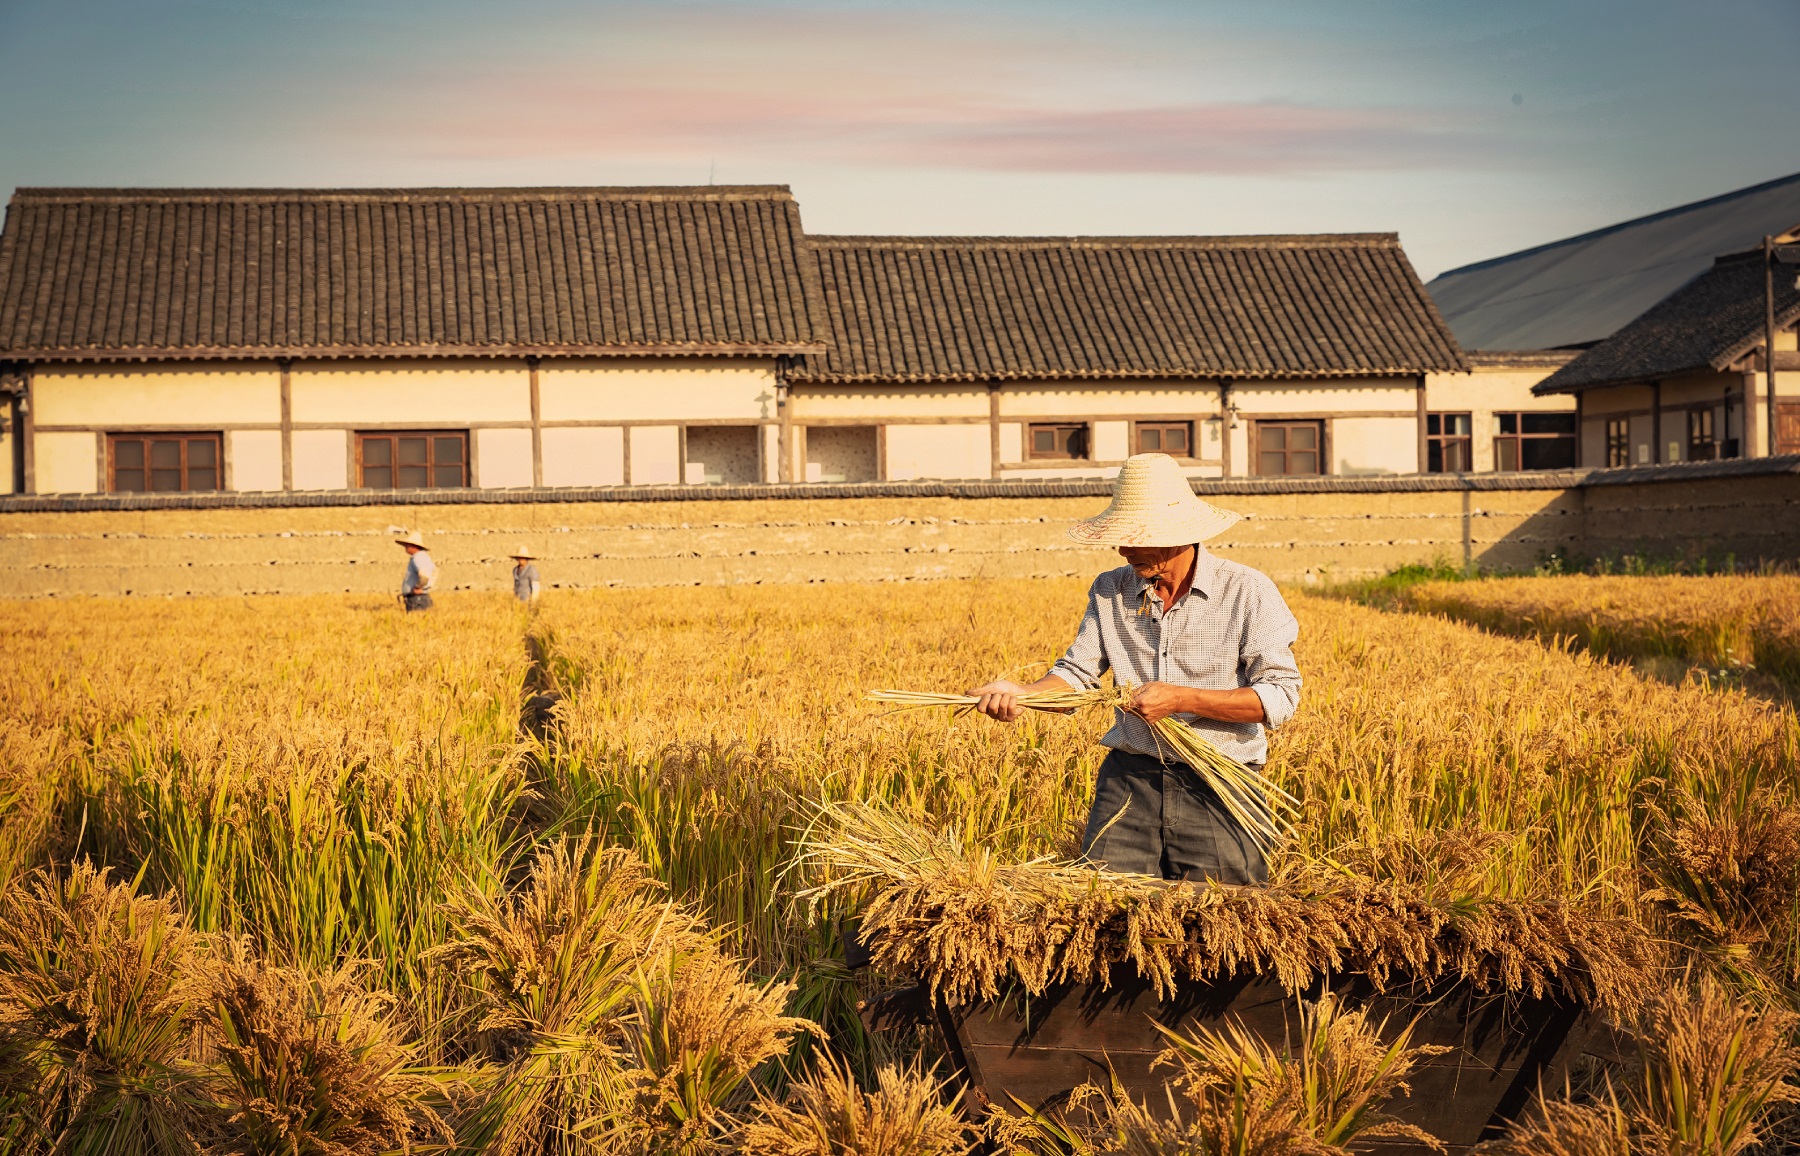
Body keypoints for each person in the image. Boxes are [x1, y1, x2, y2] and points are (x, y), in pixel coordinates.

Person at [968, 453, 1301, 884]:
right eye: (1121, 537)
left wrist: (1181, 699)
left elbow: (1280, 695)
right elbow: (1076, 675)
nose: (1124, 549)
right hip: (1129, 782)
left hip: (1221, 783)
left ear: (1180, 534)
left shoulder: (1246, 591)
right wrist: (1022, 695)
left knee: (1222, 920)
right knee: (1103, 912)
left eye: (1136, 537)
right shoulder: (1111, 589)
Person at [395, 530, 437, 612]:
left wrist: (418, 587)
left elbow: (424, 576)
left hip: (417, 599)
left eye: (408, 545)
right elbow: (434, 574)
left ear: (414, 546)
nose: (406, 547)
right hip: (420, 598)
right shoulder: (424, 557)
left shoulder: (418, 558)